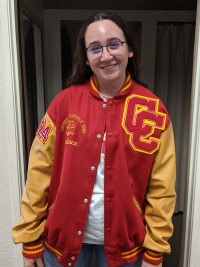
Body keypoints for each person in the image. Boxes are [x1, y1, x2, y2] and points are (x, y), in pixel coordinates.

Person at [12, 11, 176, 267]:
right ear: (86, 58)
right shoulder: (62, 104)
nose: (106, 55)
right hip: (61, 243)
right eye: (95, 48)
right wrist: (29, 239)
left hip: (126, 248)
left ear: (129, 49)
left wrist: (155, 250)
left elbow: (162, 189)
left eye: (114, 44)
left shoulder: (153, 110)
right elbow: (38, 173)